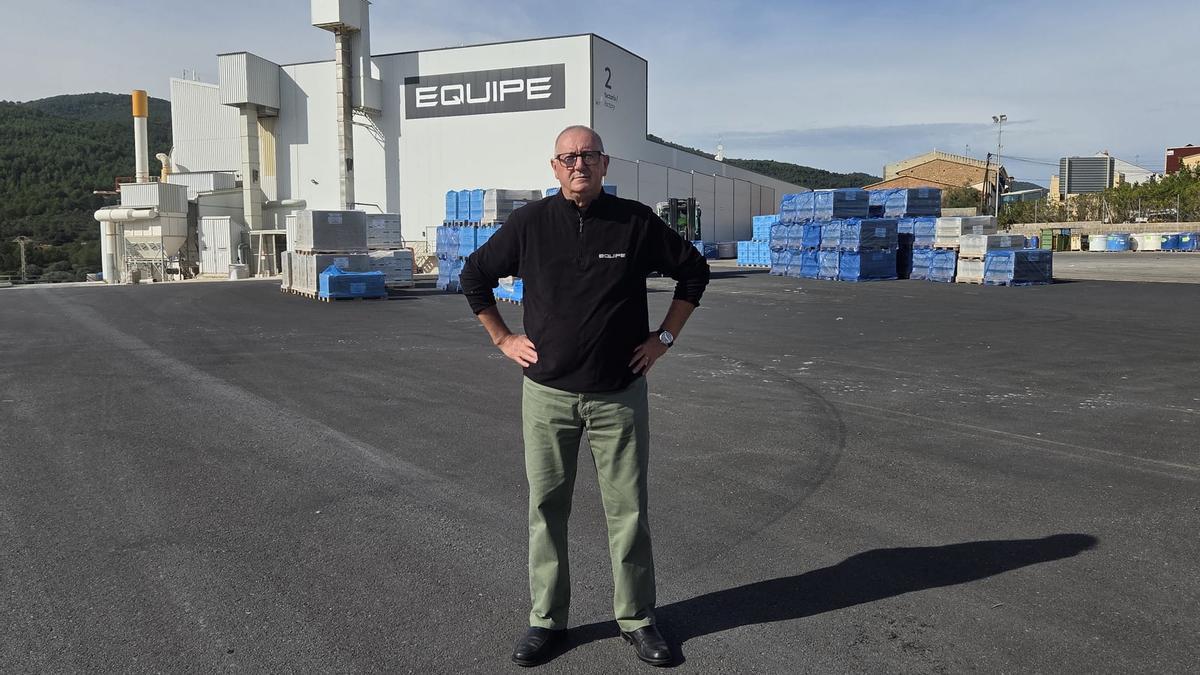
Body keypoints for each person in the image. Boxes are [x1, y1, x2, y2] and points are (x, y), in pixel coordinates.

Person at [458, 125, 710, 667]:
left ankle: (638, 618)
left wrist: (663, 338)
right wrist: (502, 338)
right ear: (554, 167)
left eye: (589, 156)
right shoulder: (529, 224)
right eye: (569, 157)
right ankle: (547, 621)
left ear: (604, 163)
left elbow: (694, 271)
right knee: (546, 509)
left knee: (628, 513)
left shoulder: (635, 223)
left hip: (618, 396)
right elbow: (475, 274)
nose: (579, 165)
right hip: (548, 397)